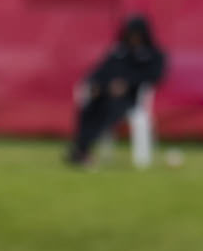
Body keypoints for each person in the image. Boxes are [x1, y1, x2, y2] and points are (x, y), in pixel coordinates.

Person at [67, 14, 167, 167]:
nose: (133, 38)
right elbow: (100, 72)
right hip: (104, 95)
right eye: (130, 34)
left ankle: (82, 150)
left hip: (130, 100)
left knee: (108, 112)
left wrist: (127, 84)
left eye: (136, 34)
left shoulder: (153, 55)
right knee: (88, 109)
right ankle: (81, 148)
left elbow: (153, 77)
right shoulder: (118, 53)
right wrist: (95, 84)